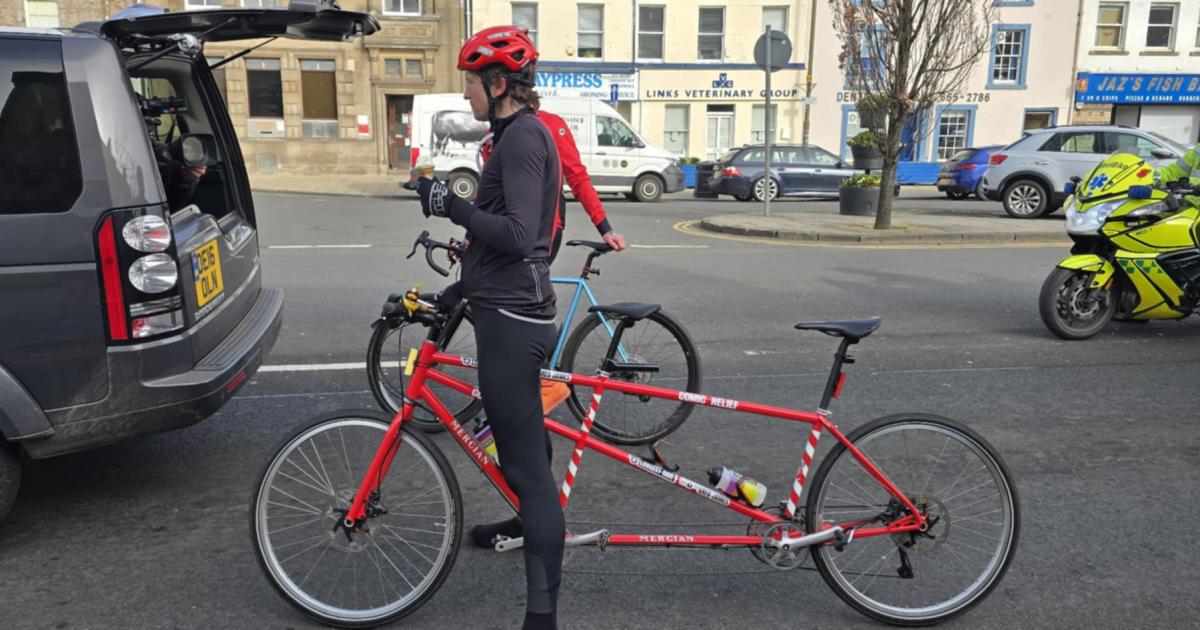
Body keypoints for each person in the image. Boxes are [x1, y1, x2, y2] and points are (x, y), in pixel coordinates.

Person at [415, 25, 565, 630]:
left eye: (472, 84)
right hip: (502, 306)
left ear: (499, 84)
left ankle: (542, 616)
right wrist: (455, 292)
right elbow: (498, 238)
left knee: (527, 465)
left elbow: (524, 236)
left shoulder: (523, 139)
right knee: (522, 440)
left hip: (514, 319)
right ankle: (523, 520)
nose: (468, 96)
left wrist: (448, 201)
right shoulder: (512, 134)